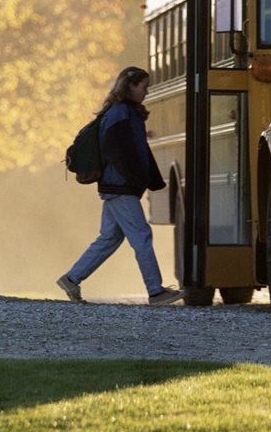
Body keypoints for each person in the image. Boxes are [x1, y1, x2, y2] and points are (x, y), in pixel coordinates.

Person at [57, 67, 185, 306]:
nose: (147, 92)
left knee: (109, 237)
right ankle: (155, 291)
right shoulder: (122, 114)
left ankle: (72, 278)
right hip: (120, 187)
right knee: (142, 236)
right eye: (144, 87)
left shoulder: (121, 113)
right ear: (131, 86)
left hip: (115, 186)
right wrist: (136, 178)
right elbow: (118, 151)